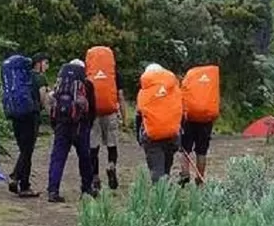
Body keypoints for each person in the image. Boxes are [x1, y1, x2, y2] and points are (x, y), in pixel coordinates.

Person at [46, 59, 97, 203]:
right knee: (85, 158)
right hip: (81, 126)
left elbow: (53, 106)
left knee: (58, 158)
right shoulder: (87, 85)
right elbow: (92, 109)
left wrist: (55, 125)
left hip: (61, 125)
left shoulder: (60, 84)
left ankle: (52, 190)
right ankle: (86, 189)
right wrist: (88, 124)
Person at [5, 52, 50, 198]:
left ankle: (21, 181)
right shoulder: (39, 78)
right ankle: (20, 181)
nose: (47, 66)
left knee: (23, 150)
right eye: (46, 63)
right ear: (39, 63)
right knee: (27, 150)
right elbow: (43, 98)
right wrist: (50, 114)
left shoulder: (22, 78)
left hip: (16, 114)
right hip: (31, 116)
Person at [85, 46, 127, 191]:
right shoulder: (114, 74)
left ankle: (95, 176)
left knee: (93, 146)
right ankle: (111, 165)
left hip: (93, 114)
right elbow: (120, 96)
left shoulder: (88, 73)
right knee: (112, 143)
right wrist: (125, 118)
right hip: (111, 112)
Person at [135, 64, 183, 183]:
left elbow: (139, 115)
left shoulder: (144, 92)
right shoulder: (174, 89)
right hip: (172, 136)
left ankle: (160, 196)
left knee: (156, 170)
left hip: (152, 137)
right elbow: (180, 110)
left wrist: (139, 137)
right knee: (166, 169)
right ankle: (166, 189)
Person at [178, 65, 220, 186]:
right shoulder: (212, 78)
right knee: (201, 151)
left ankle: (185, 173)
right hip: (206, 120)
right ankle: (200, 179)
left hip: (189, 119)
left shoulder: (189, 77)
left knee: (184, 149)